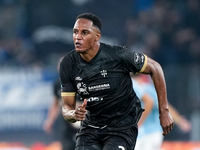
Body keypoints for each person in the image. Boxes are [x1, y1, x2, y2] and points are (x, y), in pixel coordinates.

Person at [59, 13, 174, 150]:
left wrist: (164, 111)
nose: (78, 37)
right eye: (75, 32)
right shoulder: (68, 64)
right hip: (90, 129)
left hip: (121, 128)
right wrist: (73, 114)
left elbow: (155, 68)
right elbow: (67, 107)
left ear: (97, 36)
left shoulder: (118, 56)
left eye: (84, 32)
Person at [131, 74, 191, 150]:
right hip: (143, 133)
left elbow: (165, 106)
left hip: (151, 133)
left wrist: (180, 121)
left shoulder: (147, 89)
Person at [43, 78, 82, 150]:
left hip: (83, 120)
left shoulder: (83, 82)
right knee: (67, 145)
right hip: (66, 122)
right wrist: (50, 120)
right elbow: (55, 102)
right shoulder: (58, 84)